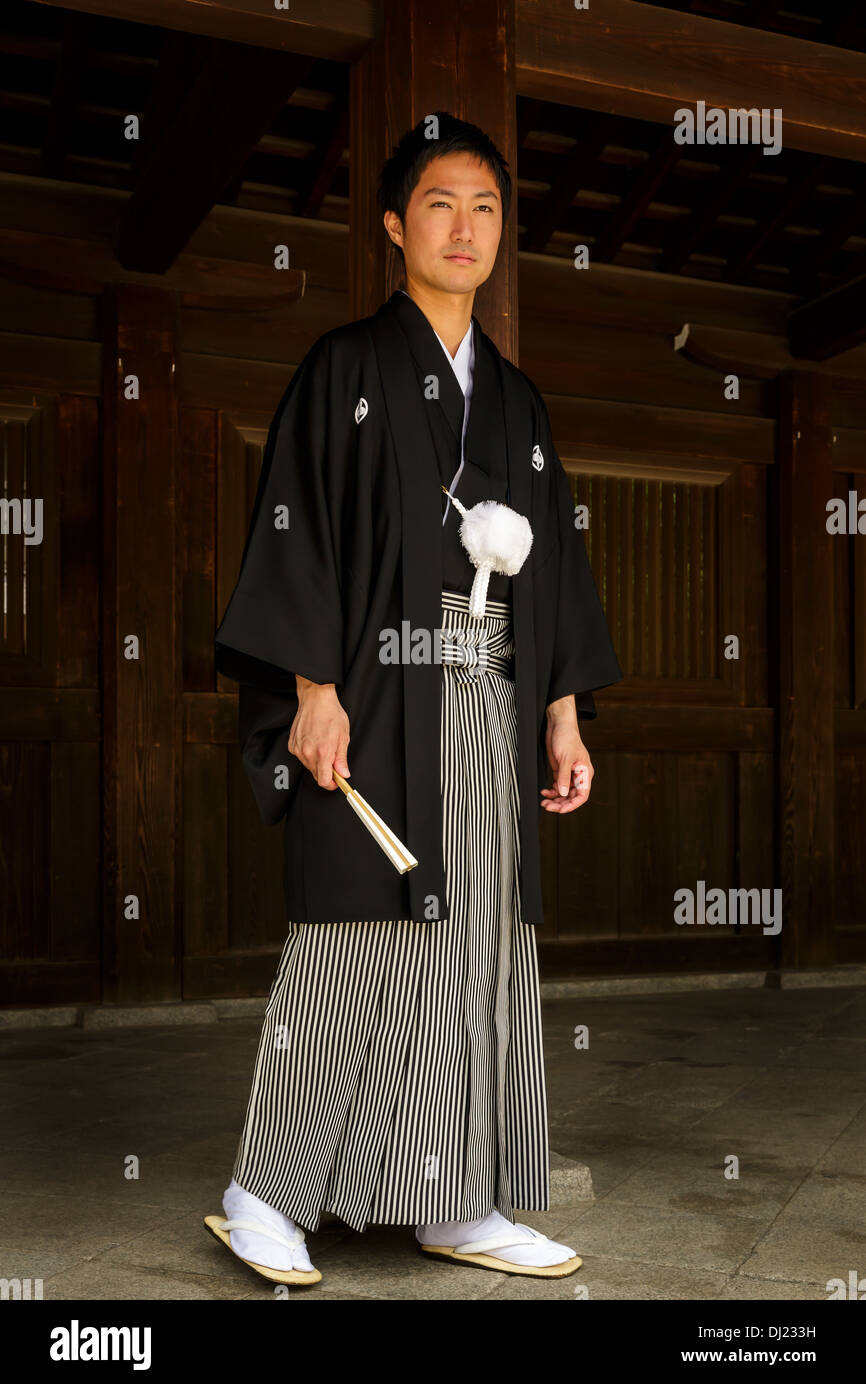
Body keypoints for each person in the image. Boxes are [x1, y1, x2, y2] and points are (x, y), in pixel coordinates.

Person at [204, 111, 623, 1286]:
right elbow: (298, 528)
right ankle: (264, 1191)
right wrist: (312, 688)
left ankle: (455, 1193)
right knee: (353, 934)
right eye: (439, 203)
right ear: (394, 225)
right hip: (375, 688)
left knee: (480, 938)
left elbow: (555, 575)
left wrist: (561, 712)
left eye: (485, 208)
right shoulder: (344, 367)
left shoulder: (519, 403)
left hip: (490, 690)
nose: (464, 227)